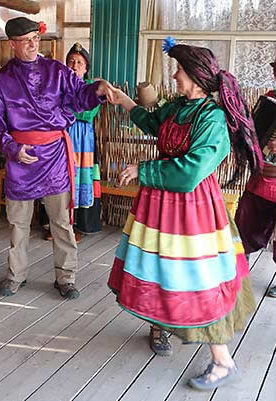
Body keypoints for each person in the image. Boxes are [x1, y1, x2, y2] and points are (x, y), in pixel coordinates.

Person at [107, 38, 263, 391]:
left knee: (199, 278)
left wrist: (142, 170)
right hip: (162, 208)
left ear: (194, 74)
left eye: (178, 69)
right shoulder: (180, 107)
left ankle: (223, 361)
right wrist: (123, 100)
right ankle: (162, 325)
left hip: (192, 211)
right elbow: (153, 124)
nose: (174, 75)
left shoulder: (213, 118)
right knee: (162, 268)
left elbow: (191, 172)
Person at [0, 17, 113, 299]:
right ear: (12, 44)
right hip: (20, 158)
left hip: (54, 156)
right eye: (26, 40)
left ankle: (66, 277)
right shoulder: (1, 80)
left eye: (35, 38)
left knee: (62, 222)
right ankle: (16, 275)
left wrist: (97, 90)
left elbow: (79, 97)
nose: (33, 44)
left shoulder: (57, 71)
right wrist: (12, 148)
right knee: (18, 223)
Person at [42, 43, 102, 243]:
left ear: (86, 68)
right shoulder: (57, 86)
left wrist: (65, 108)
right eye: (71, 62)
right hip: (59, 138)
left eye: (79, 63)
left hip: (81, 141)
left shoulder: (91, 88)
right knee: (58, 178)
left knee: (76, 179)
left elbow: (87, 112)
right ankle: (57, 224)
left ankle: (73, 226)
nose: (75, 66)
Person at [235, 57, 276, 297]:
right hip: (261, 178)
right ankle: (239, 274)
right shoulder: (269, 99)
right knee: (245, 227)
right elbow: (252, 134)